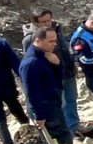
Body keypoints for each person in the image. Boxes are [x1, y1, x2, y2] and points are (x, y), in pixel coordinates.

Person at [20, 27, 75, 144]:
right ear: (38, 40)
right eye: (50, 41)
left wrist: (58, 64)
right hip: (44, 108)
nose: (54, 44)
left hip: (53, 104)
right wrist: (39, 115)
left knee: (62, 137)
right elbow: (31, 92)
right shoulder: (31, 63)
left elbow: (58, 79)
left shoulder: (47, 56)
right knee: (55, 142)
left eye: (55, 41)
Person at [21, 8, 79, 136]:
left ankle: (74, 126)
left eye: (49, 20)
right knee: (61, 103)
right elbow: (31, 59)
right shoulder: (31, 38)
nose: (47, 24)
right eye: (43, 22)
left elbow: (64, 47)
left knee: (72, 99)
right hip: (53, 75)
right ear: (36, 23)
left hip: (67, 71)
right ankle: (66, 130)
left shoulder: (57, 29)